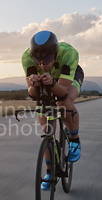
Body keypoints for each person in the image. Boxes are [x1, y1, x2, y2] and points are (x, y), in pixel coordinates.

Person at [21, 31, 84, 190]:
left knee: (64, 103)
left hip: (68, 77)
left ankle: (74, 140)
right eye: (38, 60)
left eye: (47, 59)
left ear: (55, 53)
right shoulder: (27, 57)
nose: (42, 64)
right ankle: (50, 173)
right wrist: (33, 85)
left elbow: (62, 92)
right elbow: (33, 95)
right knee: (45, 131)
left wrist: (51, 83)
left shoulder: (69, 53)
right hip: (46, 80)